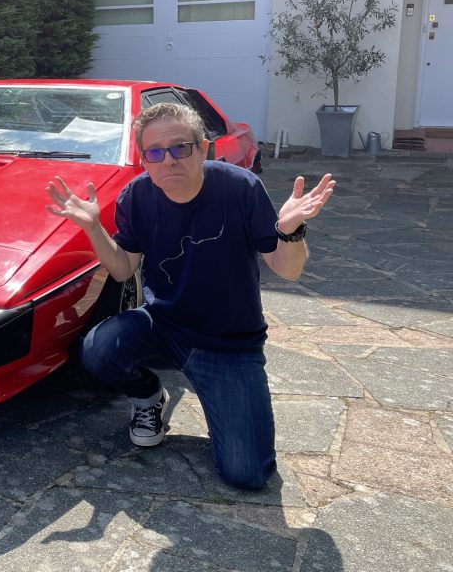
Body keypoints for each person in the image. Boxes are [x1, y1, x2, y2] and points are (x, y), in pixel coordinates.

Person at [45, 102, 336, 490]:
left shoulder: (239, 188)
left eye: (181, 147)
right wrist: (94, 228)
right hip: (164, 326)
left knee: (247, 474)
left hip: (228, 343)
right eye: (155, 152)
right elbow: (122, 269)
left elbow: (289, 269)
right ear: (145, 160)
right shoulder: (138, 196)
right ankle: (148, 396)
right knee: (97, 349)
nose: (169, 161)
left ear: (203, 149)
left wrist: (290, 231)